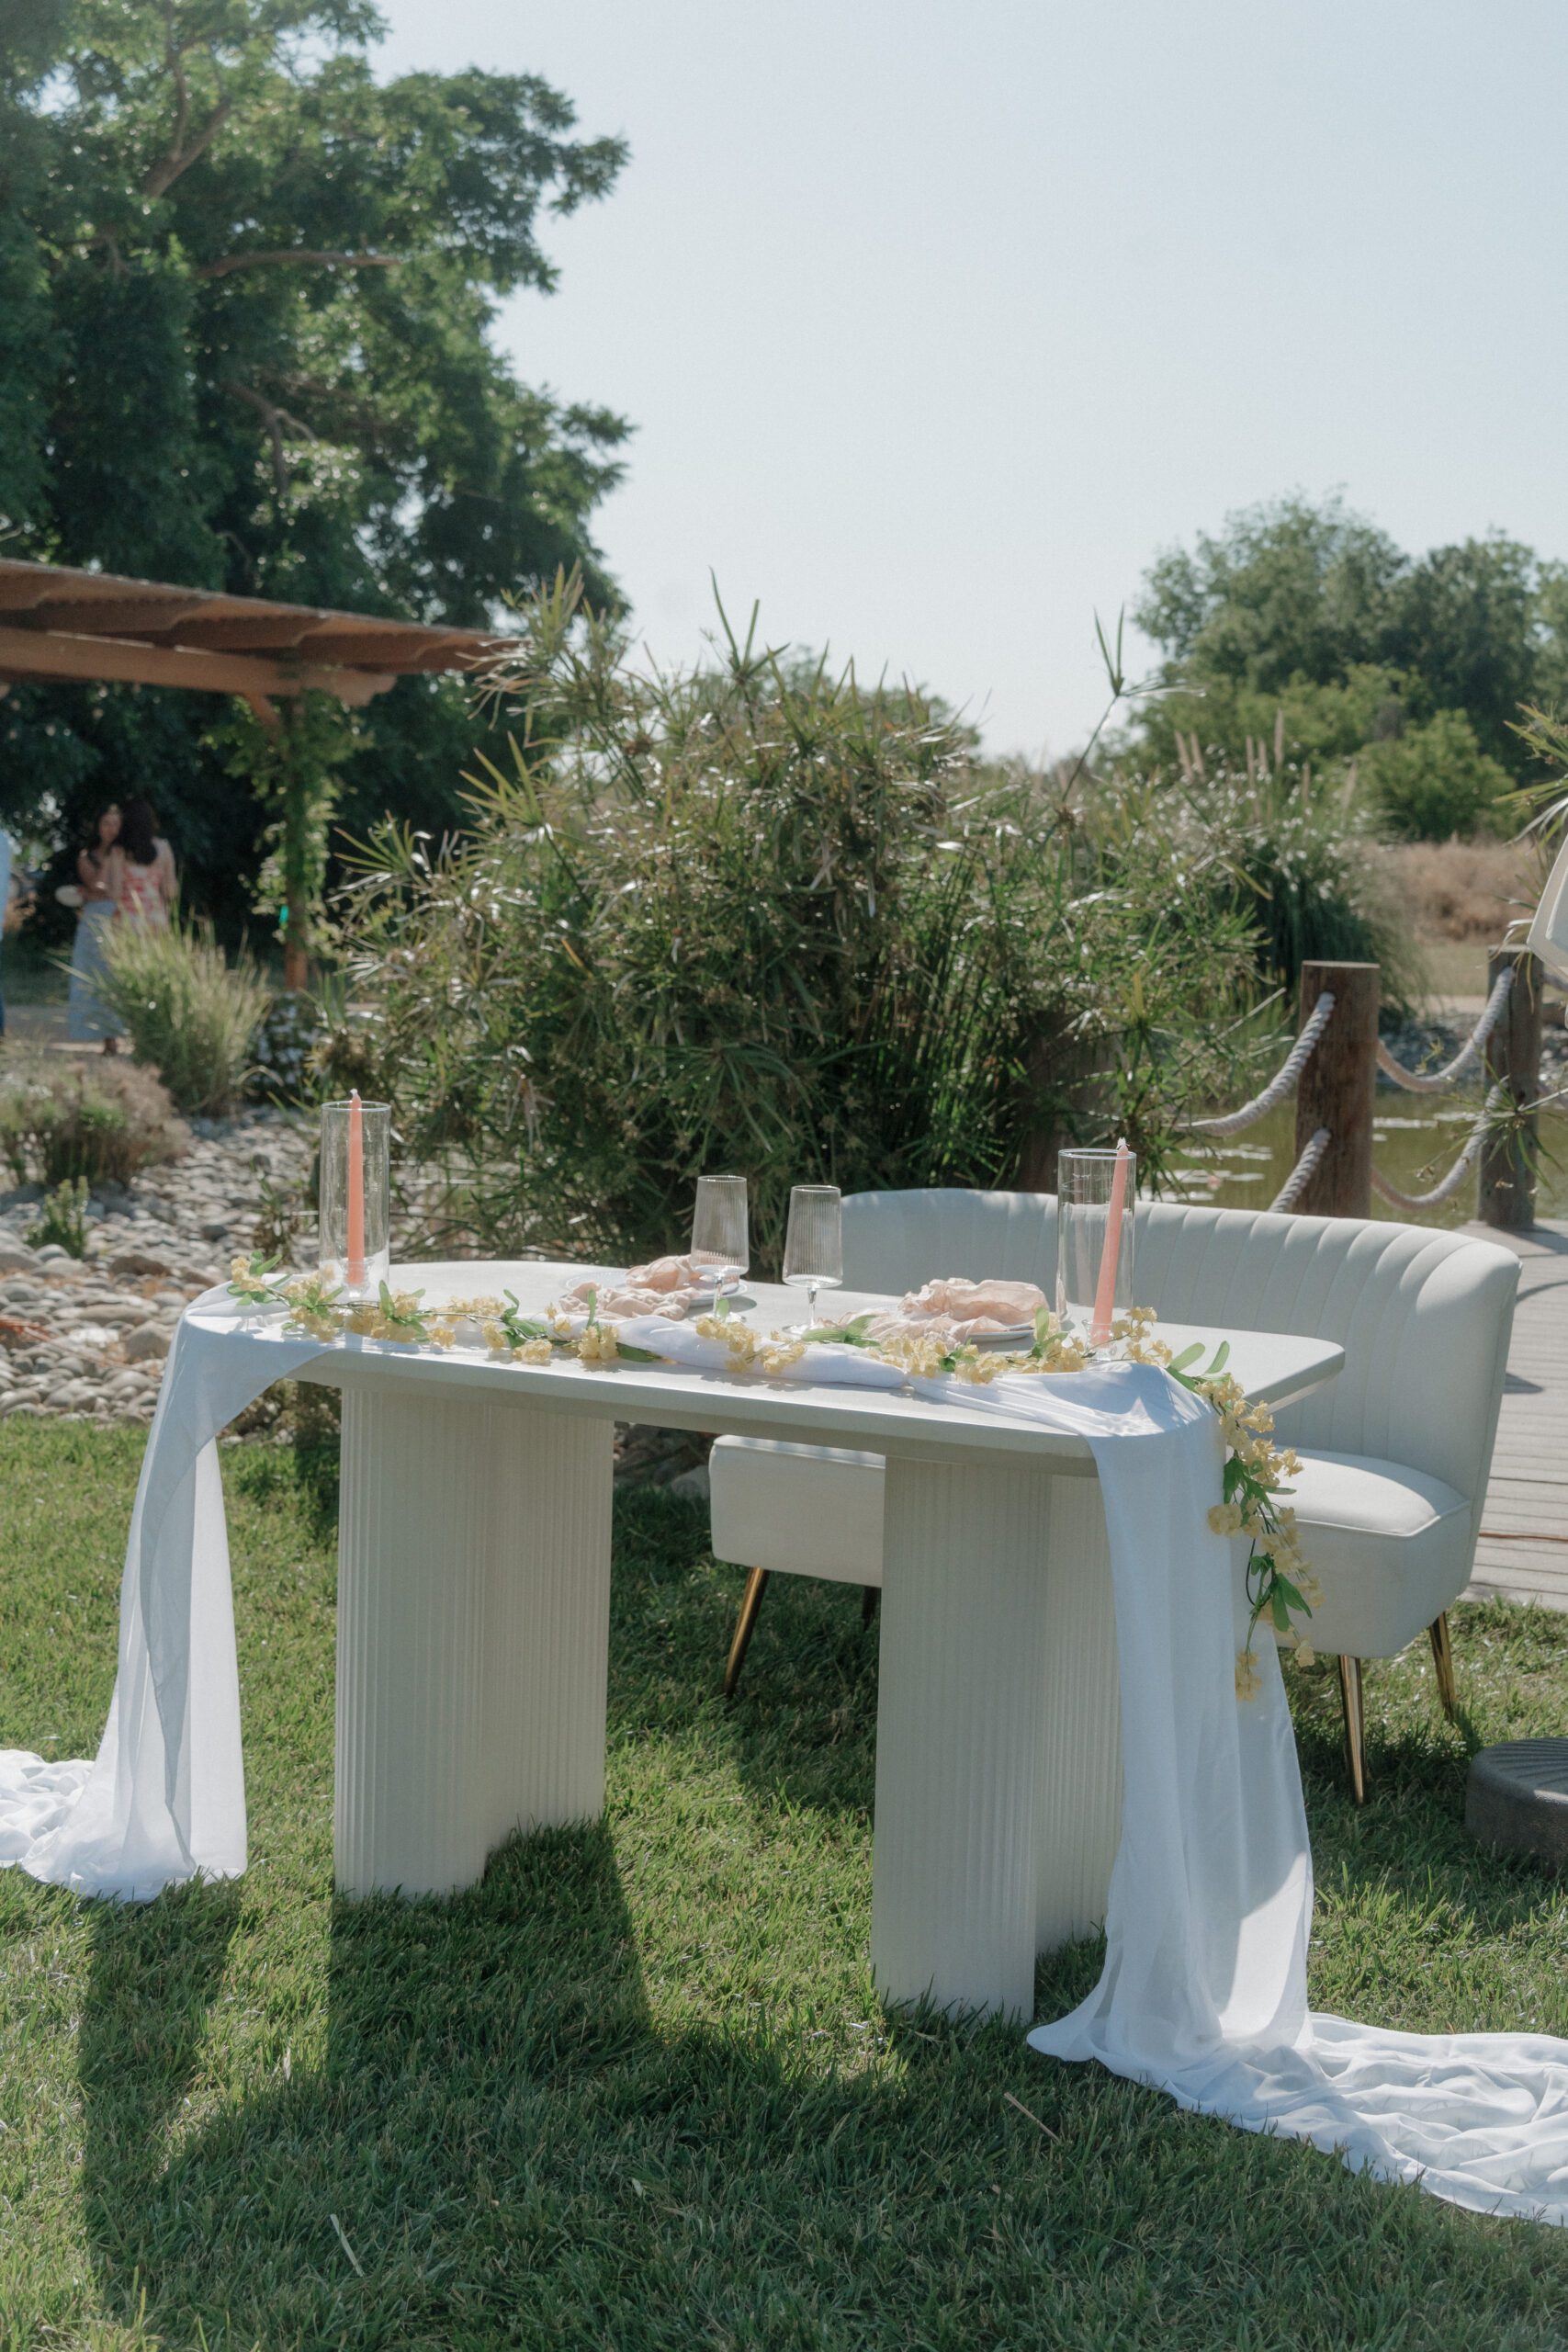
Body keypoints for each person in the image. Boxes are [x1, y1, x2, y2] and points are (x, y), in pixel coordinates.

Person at [66, 802, 125, 1047]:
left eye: (115, 823)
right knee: (95, 975)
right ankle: (104, 1035)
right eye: (106, 823)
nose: (111, 829)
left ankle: (115, 1034)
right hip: (95, 919)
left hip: (119, 916)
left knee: (117, 974)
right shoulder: (88, 856)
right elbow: (96, 887)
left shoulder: (126, 853)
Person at [107, 797, 176, 931]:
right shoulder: (164, 848)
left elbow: (115, 893)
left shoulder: (118, 851)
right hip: (156, 919)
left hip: (126, 920)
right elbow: (170, 891)